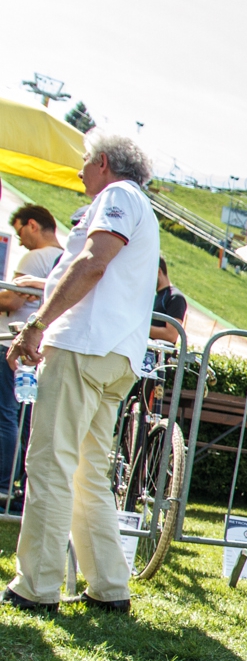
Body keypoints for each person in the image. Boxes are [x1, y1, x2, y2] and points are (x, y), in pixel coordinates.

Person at [3, 135, 159, 616]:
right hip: (116, 355)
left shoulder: (115, 197)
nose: (80, 172)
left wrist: (36, 323)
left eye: (85, 163)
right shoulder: (141, 205)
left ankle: (38, 585)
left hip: (84, 345)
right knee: (89, 473)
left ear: (104, 164)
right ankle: (109, 585)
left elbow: (92, 264)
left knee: (51, 464)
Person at [1, 204, 66, 501]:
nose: (20, 241)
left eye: (20, 232)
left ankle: (3, 484)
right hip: (47, 349)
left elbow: (12, 300)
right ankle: (26, 488)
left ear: (32, 225)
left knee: (6, 415)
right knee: (30, 421)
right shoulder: (65, 259)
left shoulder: (34, 257)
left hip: (16, 346)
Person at [150, 257, 187, 344]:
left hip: (157, 355)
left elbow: (171, 335)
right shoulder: (156, 297)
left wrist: (140, 328)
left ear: (158, 271)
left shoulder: (175, 297)